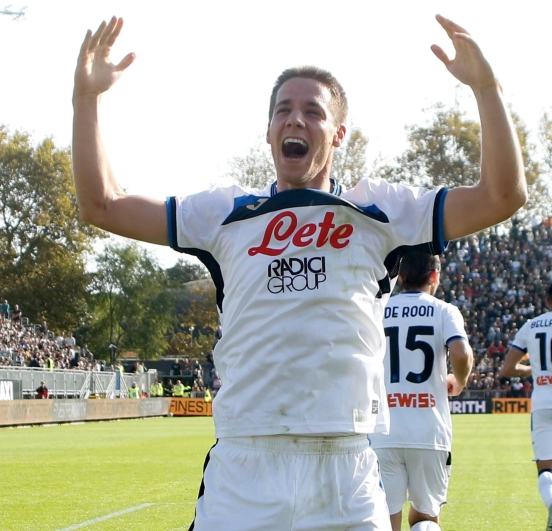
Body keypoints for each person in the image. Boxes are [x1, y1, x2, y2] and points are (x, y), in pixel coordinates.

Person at [72, 14, 525, 530]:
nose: (296, 120)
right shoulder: (224, 213)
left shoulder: (377, 210)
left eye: (313, 112)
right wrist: (87, 101)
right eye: (283, 110)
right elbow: (101, 205)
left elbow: (502, 196)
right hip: (244, 465)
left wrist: (486, 88)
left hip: (347, 467)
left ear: (338, 134)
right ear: (267, 131)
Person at [369, 253, 473, 531]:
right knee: (426, 518)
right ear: (435, 276)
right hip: (429, 431)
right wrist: (459, 379)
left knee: (384, 517)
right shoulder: (444, 310)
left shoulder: (378, 308)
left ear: (399, 277)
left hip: (383, 431)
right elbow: (461, 352)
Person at [501, 278, 552, 531]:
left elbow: (508, 368)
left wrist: (530, 370)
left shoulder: (531, 326)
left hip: (544, 404)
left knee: (546, 467)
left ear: (547, 301)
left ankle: (551, 502)